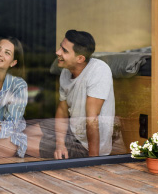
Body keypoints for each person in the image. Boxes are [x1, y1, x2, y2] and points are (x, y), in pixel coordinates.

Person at [26, 30, 115, 159]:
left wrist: (94, 162)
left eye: (64, 50)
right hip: (71, 129)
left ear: (80, 58)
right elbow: (62, 110)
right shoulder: (66, 72)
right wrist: (60, 144)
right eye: (60, 47)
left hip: (85, 146)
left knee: (19, 143)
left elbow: (92, 120)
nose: (57, 52)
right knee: (25, 133)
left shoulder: (99, 71)